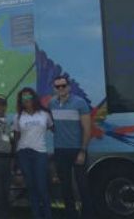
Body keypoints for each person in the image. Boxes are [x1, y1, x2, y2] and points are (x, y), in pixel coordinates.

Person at [50, 75, 94, 219]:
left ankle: (88, 215)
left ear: (69, 87)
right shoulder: (52, 103)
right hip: (60, 150)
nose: (61, 89)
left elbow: (87, 129)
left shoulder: (79, 103)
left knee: (82, 185)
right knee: (65, 186)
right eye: (58, 86)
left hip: (76, 150)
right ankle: (71, 215)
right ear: (54, 89)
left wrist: (82, 151)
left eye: (63, 86)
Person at [13, 87, 53, 219]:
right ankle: (37, 216)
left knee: (42, 187)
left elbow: (51, 128)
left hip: (40, 153)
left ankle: (48, 215)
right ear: (21, 101)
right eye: (24, 98)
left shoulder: (44, 114)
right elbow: (16, 137)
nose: (27, 100)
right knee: (31, 187)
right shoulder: (18, 117)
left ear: (34, 98)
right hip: (23, 153)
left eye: (29, 97)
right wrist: (15, 159)